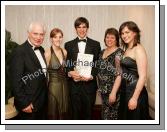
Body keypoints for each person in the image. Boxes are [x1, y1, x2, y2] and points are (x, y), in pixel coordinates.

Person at [65, 17, 101, 119]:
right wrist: (70, 73)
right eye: (79, 27)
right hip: (74, 87)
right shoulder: (68, 44)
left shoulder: (96, 44)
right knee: (74, 115)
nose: (82, 29)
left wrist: (91, 76)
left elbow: (97, 64)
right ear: (75, 29)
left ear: (87, 28)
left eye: (84, 27)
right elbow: (67, 64)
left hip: (89, 86)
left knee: (88, 114)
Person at [10, 22, 48, 120]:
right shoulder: (19, 51)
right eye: (35, 34)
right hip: (28, 104)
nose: (39, 37)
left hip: (42, 101)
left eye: (41, 34)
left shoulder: (42, 50)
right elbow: (15, 81)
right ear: (28, 33)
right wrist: (24, 103)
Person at [119, 21, 149, 120]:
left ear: (135, 33)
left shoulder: (139, 49)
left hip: (135, 93)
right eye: (122, 33)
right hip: (125, 92)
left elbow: (143, 76)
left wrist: (135, 98)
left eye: (127, 32)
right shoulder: (127, 49)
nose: (124, 35)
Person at [96, 28, 124, 120]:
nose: (109, 39)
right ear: (104, 38)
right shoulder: (102, 52)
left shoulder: (118, 53)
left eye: (112, 37)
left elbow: (119, 75)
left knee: (112, 116)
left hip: (113, 91)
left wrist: (113, 92)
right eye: (107, 37)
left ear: (116, 39)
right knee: (104, 115)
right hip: (103, 91)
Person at [44, 28, 71, 119]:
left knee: (64, 111)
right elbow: (44, 74)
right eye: (55, 37)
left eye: (60, 37)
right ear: (51, 38)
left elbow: (65, 70)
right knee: (54, 111)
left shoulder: (65, 52)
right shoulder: (47, 53)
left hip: (64, 86)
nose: (58, 39)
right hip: (53, 87)